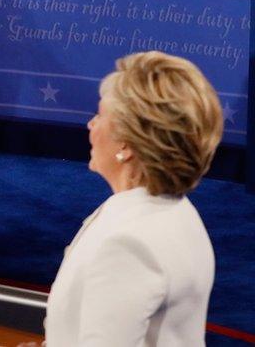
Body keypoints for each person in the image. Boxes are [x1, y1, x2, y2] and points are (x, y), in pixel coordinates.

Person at [39, 51, 222, 346]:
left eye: (100, 115)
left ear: (126, 144)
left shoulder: (128, 244)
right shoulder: (175, 212)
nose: (91, 125)